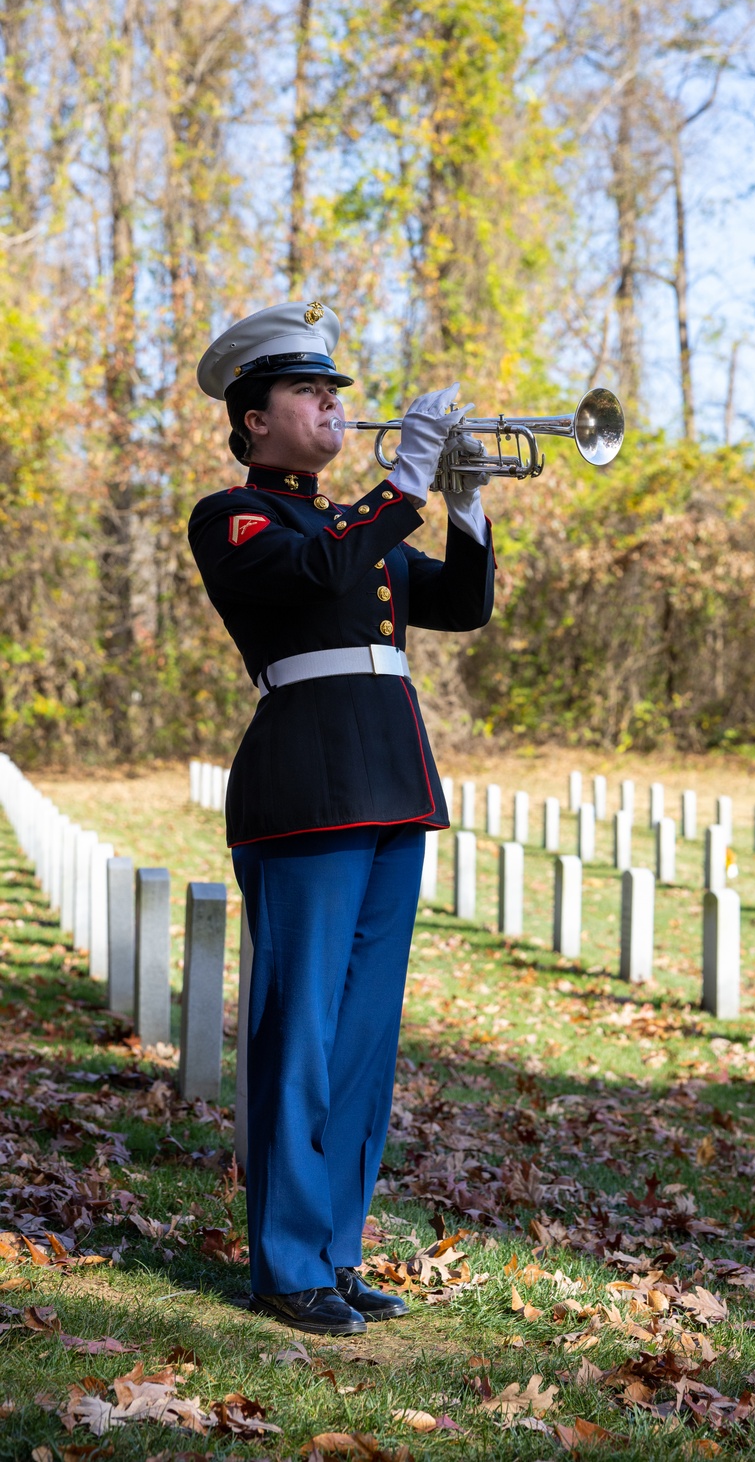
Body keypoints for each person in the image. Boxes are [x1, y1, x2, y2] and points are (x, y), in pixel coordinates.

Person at [189, 300, 495, 1336]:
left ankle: (334, 1253)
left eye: (334, 391)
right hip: (305, 788)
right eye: (307, 391)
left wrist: (465, 501)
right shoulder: (238, 517)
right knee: (299, 1035)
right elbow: (322, 569)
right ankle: (283, 1263)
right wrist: (404, 478)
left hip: (389, 784)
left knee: (364, 1040)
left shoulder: (353, 521)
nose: (330, 403)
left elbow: (459, 602)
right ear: (252, 421)